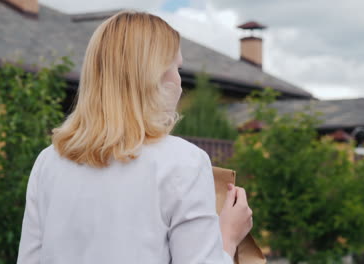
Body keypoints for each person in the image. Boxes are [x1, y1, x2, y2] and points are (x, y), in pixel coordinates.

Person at [17, 10, 253, 264]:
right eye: (177, 68)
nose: (180, 83)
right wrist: (227, 238)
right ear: (153, 77)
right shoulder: (184, 162)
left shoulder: (49, 162)